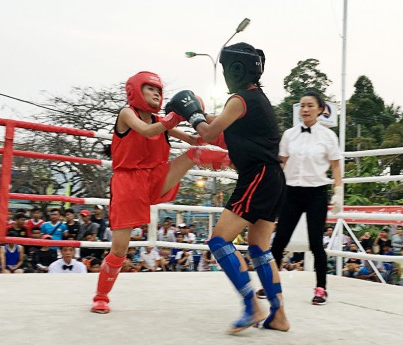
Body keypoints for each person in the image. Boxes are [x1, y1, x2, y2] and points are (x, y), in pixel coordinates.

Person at [167, 42, 290, 333]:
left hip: (257, 177)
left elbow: (208, 131)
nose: (223, 74)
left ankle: (252, 306)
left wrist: (193, 114)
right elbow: (217, 129)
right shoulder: (256, 99)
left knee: (219, 241)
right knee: (260, 248)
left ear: (235, 69)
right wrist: (192, 115)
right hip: (272, 179)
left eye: (224, 68)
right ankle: (279, 315)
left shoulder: (240, 99)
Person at [90, 71, 229, 314]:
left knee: (194, 155)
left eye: (158, 90)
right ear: (135, 90)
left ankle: (238, 161)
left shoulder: (159, 120)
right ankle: (101, 295)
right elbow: (146, 131)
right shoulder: (128, 113)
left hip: (155, 177)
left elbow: (193, 141)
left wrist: (198, 117)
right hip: (127, 184)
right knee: (120, 249)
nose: (156, 93)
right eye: (150, 88)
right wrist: (175, 116)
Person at [263, 90, 342, 306]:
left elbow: (335, 165)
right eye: (302, 105)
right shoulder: (289, 134)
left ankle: (321, 289)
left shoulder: (328, 136)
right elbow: (282, 162)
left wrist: (338, 191)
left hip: (316, 192)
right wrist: (272, 187)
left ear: (320, 109)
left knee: (316, 243)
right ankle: (271, 284)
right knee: (279, 242)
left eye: (309, 105)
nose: (305, 109)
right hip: (291, 192)